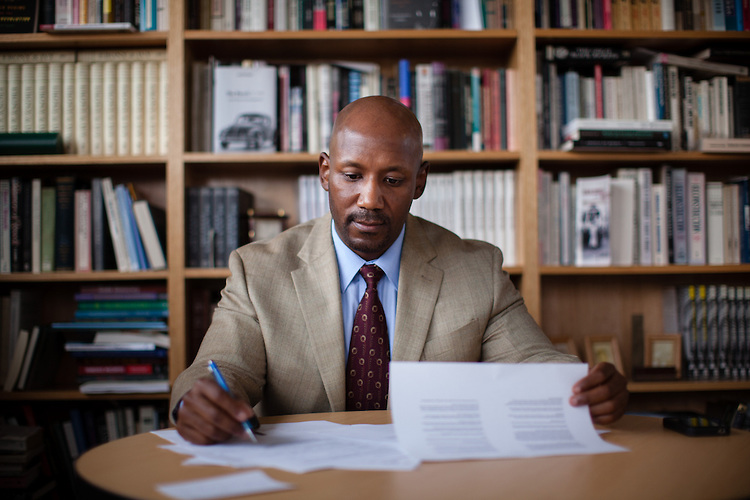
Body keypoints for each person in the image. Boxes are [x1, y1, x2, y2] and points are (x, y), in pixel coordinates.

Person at [171, 96, 628, 445]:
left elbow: (530, 362)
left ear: (419, 181)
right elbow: (224, 367)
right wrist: (199, 399)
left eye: (392, 180)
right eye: (352, 176)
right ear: (325, 172)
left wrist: (583, 384)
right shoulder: (257, 270)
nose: (370, 199)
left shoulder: (477, 270)